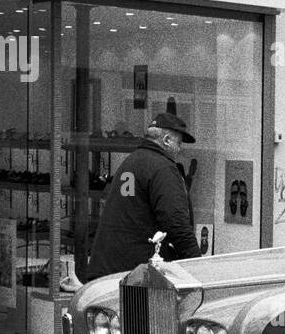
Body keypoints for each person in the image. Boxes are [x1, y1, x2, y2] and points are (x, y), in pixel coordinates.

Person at [82, 113, 201, 281]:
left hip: (108, 269)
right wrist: (196, 267)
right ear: (166, 140)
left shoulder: (131, 161)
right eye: (179, 143)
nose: (180, 149)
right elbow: (176, 222)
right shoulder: (162, 168)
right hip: (136, 276)